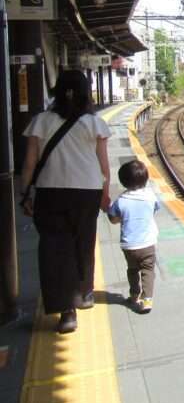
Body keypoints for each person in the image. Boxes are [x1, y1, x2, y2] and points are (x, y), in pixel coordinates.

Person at [20, 69, 111, 334]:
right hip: (87, 191)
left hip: (51, 192)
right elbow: (103, 165)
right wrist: (106, 193)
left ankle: (67, 312)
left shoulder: (41, 121)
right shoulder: (95, 123)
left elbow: (29, 164)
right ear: (86, 93)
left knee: (54, 249)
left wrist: (25, 193)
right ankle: (84, 294)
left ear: (57, 91)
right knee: (83, 241)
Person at [107, 160, 160, 313]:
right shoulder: (150, 196)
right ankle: (147, 299)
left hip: (129, 245)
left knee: (132, 269)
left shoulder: (121, 201)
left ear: (123, 182)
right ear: (146, 179)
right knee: (148, 270)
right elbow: (155, 209)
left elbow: (113, 219)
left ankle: (134, 294)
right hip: (148, 243)